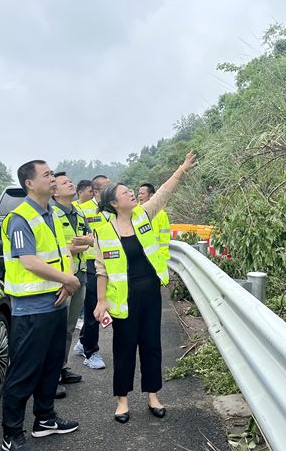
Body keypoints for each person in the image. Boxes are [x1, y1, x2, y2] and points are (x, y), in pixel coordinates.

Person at [93, 151, 197, 423]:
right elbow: (101, 270)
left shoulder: (143, 215)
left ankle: (153, 395)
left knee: (151, 345)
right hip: (123, 298)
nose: (132, 194)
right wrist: (101, 301)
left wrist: (182, 169)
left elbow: (163, 192)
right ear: (114, 202)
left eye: (131, 191)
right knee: (124, 347)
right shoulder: (102, 232)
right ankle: (123, 400)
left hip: (150, 291)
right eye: (126, 192)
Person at [0, 160, 81, 451]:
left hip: (56, 302)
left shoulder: (53, 213)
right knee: (24, 371)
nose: (53, 178)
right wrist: (68, 281)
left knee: (50, 366)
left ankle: (45, 419)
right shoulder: (20, 217)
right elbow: (29, 261)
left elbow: (65, 250)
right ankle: (11, 433)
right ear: (30, 183)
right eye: (46, 175)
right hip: (31, 309)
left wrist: (66, 280)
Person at [52, 172, 94, 385]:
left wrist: (86, 242)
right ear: (55, 191)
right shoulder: (51, 214)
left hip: (80, 274)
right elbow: (51, 249)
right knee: (56, 327)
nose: (70, 183)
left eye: (70, 181)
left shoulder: (78, 212)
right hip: (60, 277)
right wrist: (75, 246)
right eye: (64, 182)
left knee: (69, 326)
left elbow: (91, 239)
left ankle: (61, 367)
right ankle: (50, 375)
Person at [74, 174, 111, 370]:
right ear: (96, 191)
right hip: (90, 264)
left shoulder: (113, 209)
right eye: (107, 187)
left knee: (109, 305)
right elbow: (79, 239)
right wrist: (93, 241)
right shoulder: (81, 210)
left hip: (112, 264)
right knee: (92, 309)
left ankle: (82, 342)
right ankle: (91, 352)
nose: (111, 190)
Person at [137, 183, 171, 267]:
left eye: (142, 194)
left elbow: (164, 237)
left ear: (151, 195)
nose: (139, 196)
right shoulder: (134, 212)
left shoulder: (161, 214)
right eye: (139, 193)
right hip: (139, 257)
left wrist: (163, 256)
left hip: (156, 257)